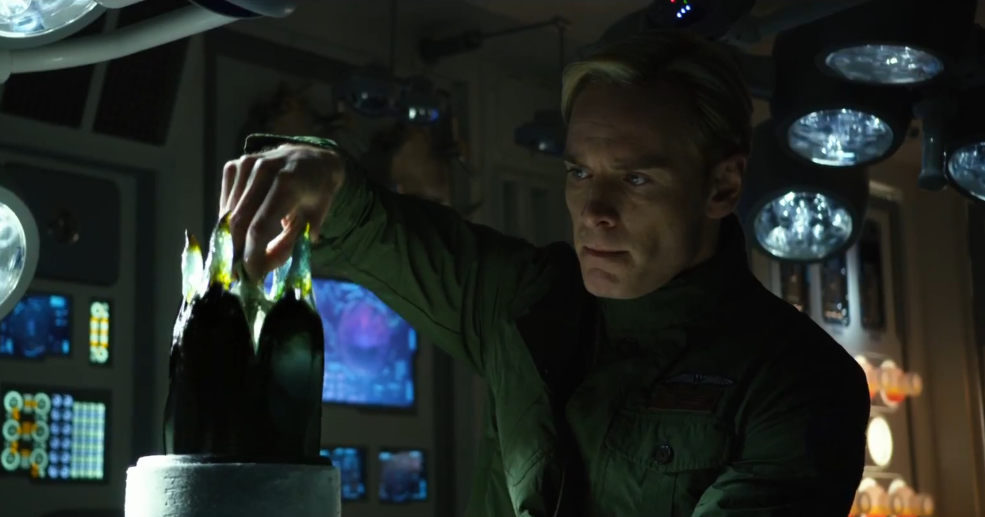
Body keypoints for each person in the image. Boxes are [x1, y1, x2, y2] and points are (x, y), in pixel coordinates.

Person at [218, 30, 869, 517]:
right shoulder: (530, 297)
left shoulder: (798, 381)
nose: (593, 211)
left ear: (722, 186)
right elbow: (377, 232)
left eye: (636, 179)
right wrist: (319, 175)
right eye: (579, 172)